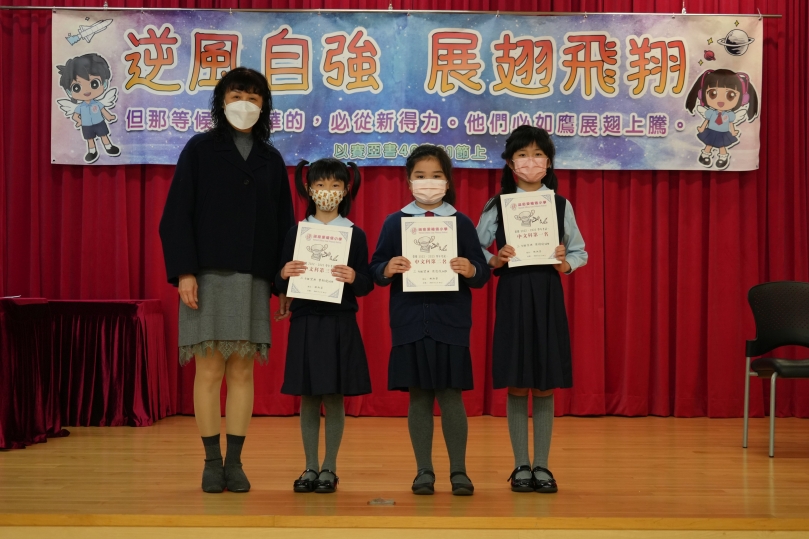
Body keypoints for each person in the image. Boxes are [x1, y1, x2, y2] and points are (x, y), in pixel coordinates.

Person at [159, 67, 294, 494]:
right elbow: (176, 214)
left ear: (264, 106)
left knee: (242, 372)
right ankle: (210, 461)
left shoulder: (271, 158)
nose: (245, 103)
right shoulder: (200, 149)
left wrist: (283, 284)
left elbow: (285, 226)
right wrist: (184, 271)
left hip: (254, 277)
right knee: (209, 370)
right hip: (207, 276)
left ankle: (235, 462)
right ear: (221, 100)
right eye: (237, 94)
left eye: (254, 97)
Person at [370, 145, 490, 496]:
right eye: (420, 176)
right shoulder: (395, 222)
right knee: (419, 397)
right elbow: (375, 269)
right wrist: (387, 268)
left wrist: (471, 269)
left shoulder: (460, 223)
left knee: (451, 396)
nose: (428, 182)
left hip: (450, 321)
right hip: (409, 320)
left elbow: (481, 273)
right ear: (409, 181)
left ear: (447, 181)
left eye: (436, 176)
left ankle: (459, 471)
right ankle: (424, 470)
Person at [476, 125, 587, 493]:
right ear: (510, 163)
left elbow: (580, 251)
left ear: (549, 162)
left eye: (538, 154)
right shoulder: (497, 204)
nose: (530, 161)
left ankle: (542, 465)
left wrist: (564, 262)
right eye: (522, 155)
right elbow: (474, 248)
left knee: (543, 382)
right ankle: (521, 464)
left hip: (547, 294)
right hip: (512, 293)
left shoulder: (560, 204)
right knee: (517, 380)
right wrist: (496, 258)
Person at [275, 158, 373, 494]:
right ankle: (309, 466)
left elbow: (367, 284)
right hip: (305, 321)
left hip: (339, 322)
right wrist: (283, 274)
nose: (327, 191)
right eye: (320, 185)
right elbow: (279, 280)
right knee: (308, 396)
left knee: (333, 396)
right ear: (308, 189)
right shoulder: (297, 232)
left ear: (345, 190)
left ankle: (329, 467)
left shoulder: (354, 234)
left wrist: (354, 276)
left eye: (335, 185)